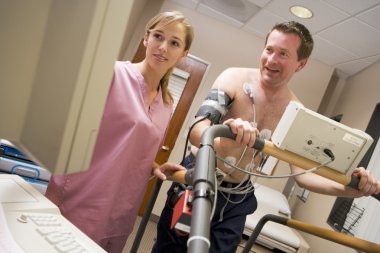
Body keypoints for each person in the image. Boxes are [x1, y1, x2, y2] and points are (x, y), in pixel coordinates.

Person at [152, 21, 380, 253]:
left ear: (300, 64)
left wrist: (350, 189)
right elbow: (198, 131)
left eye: (283, 54)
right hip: (198, 177)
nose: (271, 60)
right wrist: (229, 128)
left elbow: (302, 175)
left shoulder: (295, 112)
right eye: (269, 49)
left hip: (236, 198)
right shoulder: (234, 79)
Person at [45, 11, 194, 253]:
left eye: (174, 43)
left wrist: (155, 166)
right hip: (82, 196)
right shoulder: (112, 74)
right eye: (158, 36)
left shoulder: (167, 103)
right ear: (146, 39)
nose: (163, 47)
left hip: (121, 207)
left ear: (183, 54)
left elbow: (133, 147)